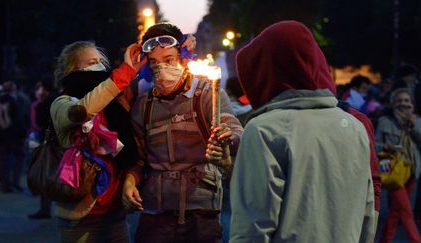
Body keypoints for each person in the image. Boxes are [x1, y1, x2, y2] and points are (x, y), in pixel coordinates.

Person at [229, 21, 375, 243]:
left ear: (265, 71)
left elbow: (253, 227)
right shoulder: (354, 127)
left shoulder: (264, 130)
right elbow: (367, 214)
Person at [126, 22, 243, 243]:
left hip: (201, 218)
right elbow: (138, 158)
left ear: (182, 58)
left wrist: (228, 139)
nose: (161, 69)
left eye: (168, 60)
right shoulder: (144, 105)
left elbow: (236, 130)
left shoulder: (207, 94)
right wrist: (130, 180)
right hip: (154, 218)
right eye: (154, 63)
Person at [49, 40, 146, 242]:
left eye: (101, 61)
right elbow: (83, 111)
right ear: (73, 68)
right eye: (92, 61)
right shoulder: (61, 103)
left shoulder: (114, 101)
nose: (100, 66)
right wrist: (123, 74)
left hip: (114, 213)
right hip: (79, 216)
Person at [375, 88, 421, 243]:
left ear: (412, 104)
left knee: (396, 210)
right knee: (406, 211)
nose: (403, 104)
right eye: (400, 101)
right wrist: (385, 146)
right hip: (394, 169)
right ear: (393, 103)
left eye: (407, 101)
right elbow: (374, 144)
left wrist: (414, 125)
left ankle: (384, 240)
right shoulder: (385, 121)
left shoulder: (417, 120)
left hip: (412, 170)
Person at [28, 80, 57, 219]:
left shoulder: (47, 103)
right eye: (39, 88)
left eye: (43, 88)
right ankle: (44, 207)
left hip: (47, 144)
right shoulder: (39, 104)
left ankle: (45, 208)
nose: (40, 92)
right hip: (45, 142)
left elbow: (39, 122)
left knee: (45, 175)